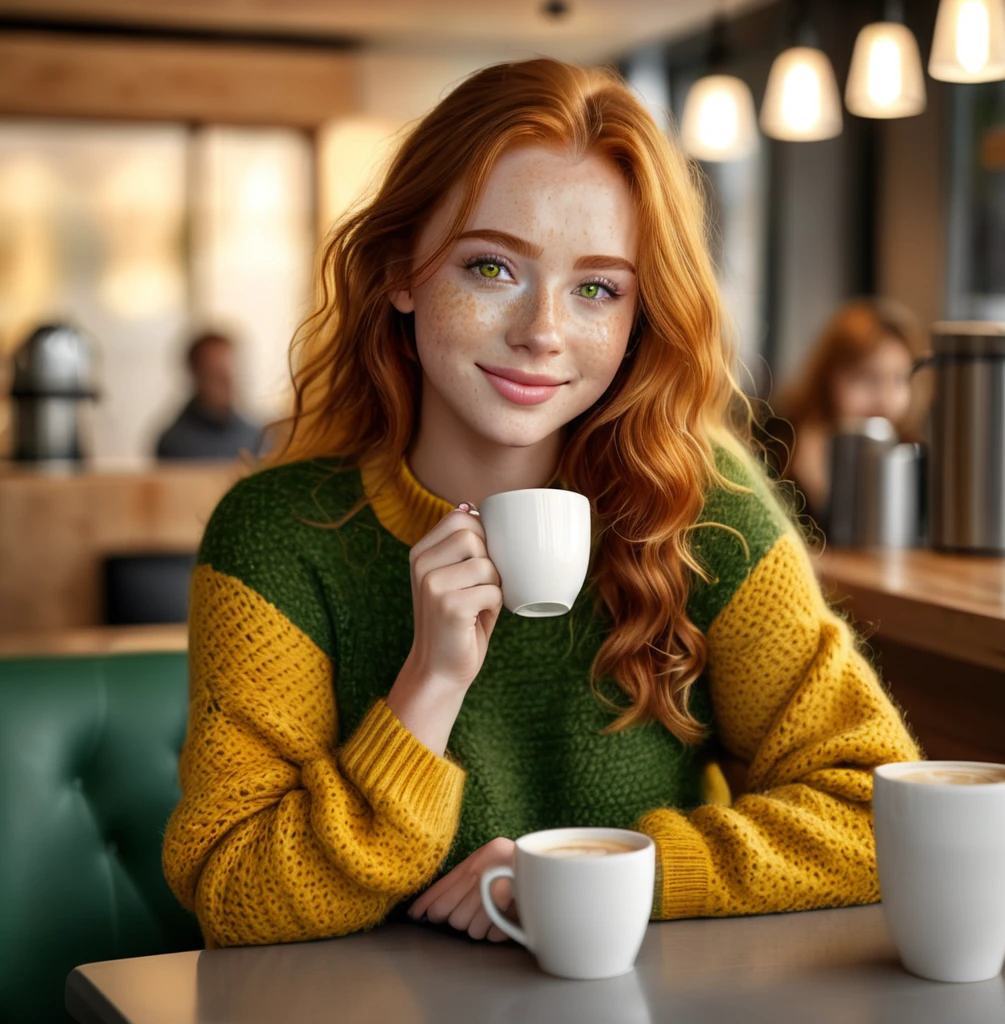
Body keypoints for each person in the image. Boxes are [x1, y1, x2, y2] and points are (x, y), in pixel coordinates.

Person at [162, 59, 920, 950]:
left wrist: (596, 872)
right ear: (402, 270)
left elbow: (876, 813)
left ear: (640, 317)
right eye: (491, 267)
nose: (542, 333)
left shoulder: (701, 502)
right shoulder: (276, 537)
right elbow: (233, 893)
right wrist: (428, 687)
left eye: (597, 288)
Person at [763, 299, 928, 524]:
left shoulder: (911, 455)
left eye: (900, 379)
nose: (885, 399)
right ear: (829, 376)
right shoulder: (777, 442)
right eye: (868, 378)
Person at [155, 331, 264, 460]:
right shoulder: (174, 443)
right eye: (215, 375)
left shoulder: (255, 435)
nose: (227, 383)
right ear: (196, 375)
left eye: (230, 373)